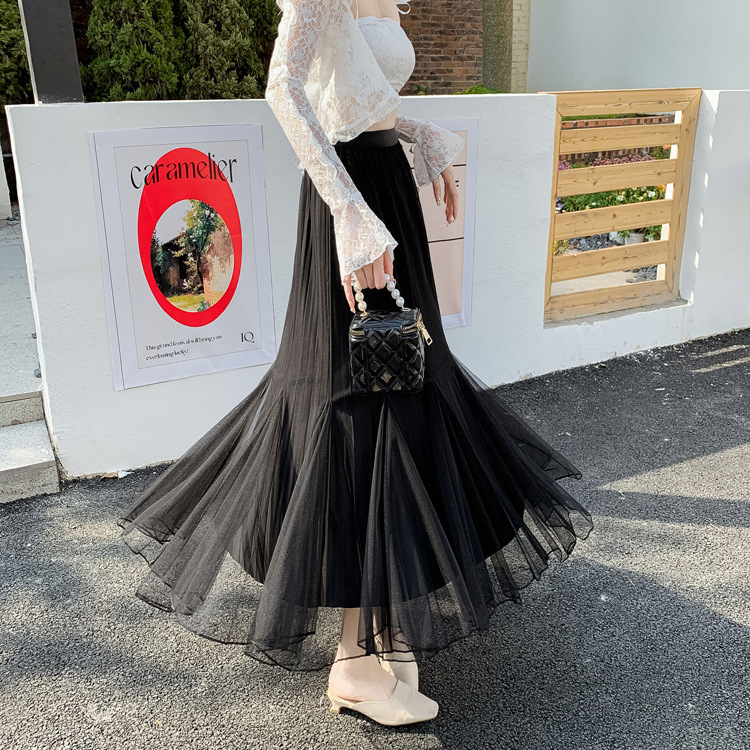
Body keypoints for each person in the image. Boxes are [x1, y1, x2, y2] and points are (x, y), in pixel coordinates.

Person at [117, 0, 594, 728]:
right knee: (357, 402)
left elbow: (357, 96)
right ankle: (353, 660)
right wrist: (347, 210)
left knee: (405, 386)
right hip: (350, 198)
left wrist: (417, 134)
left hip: (385, 187)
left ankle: (383, 620)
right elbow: (285, 89)